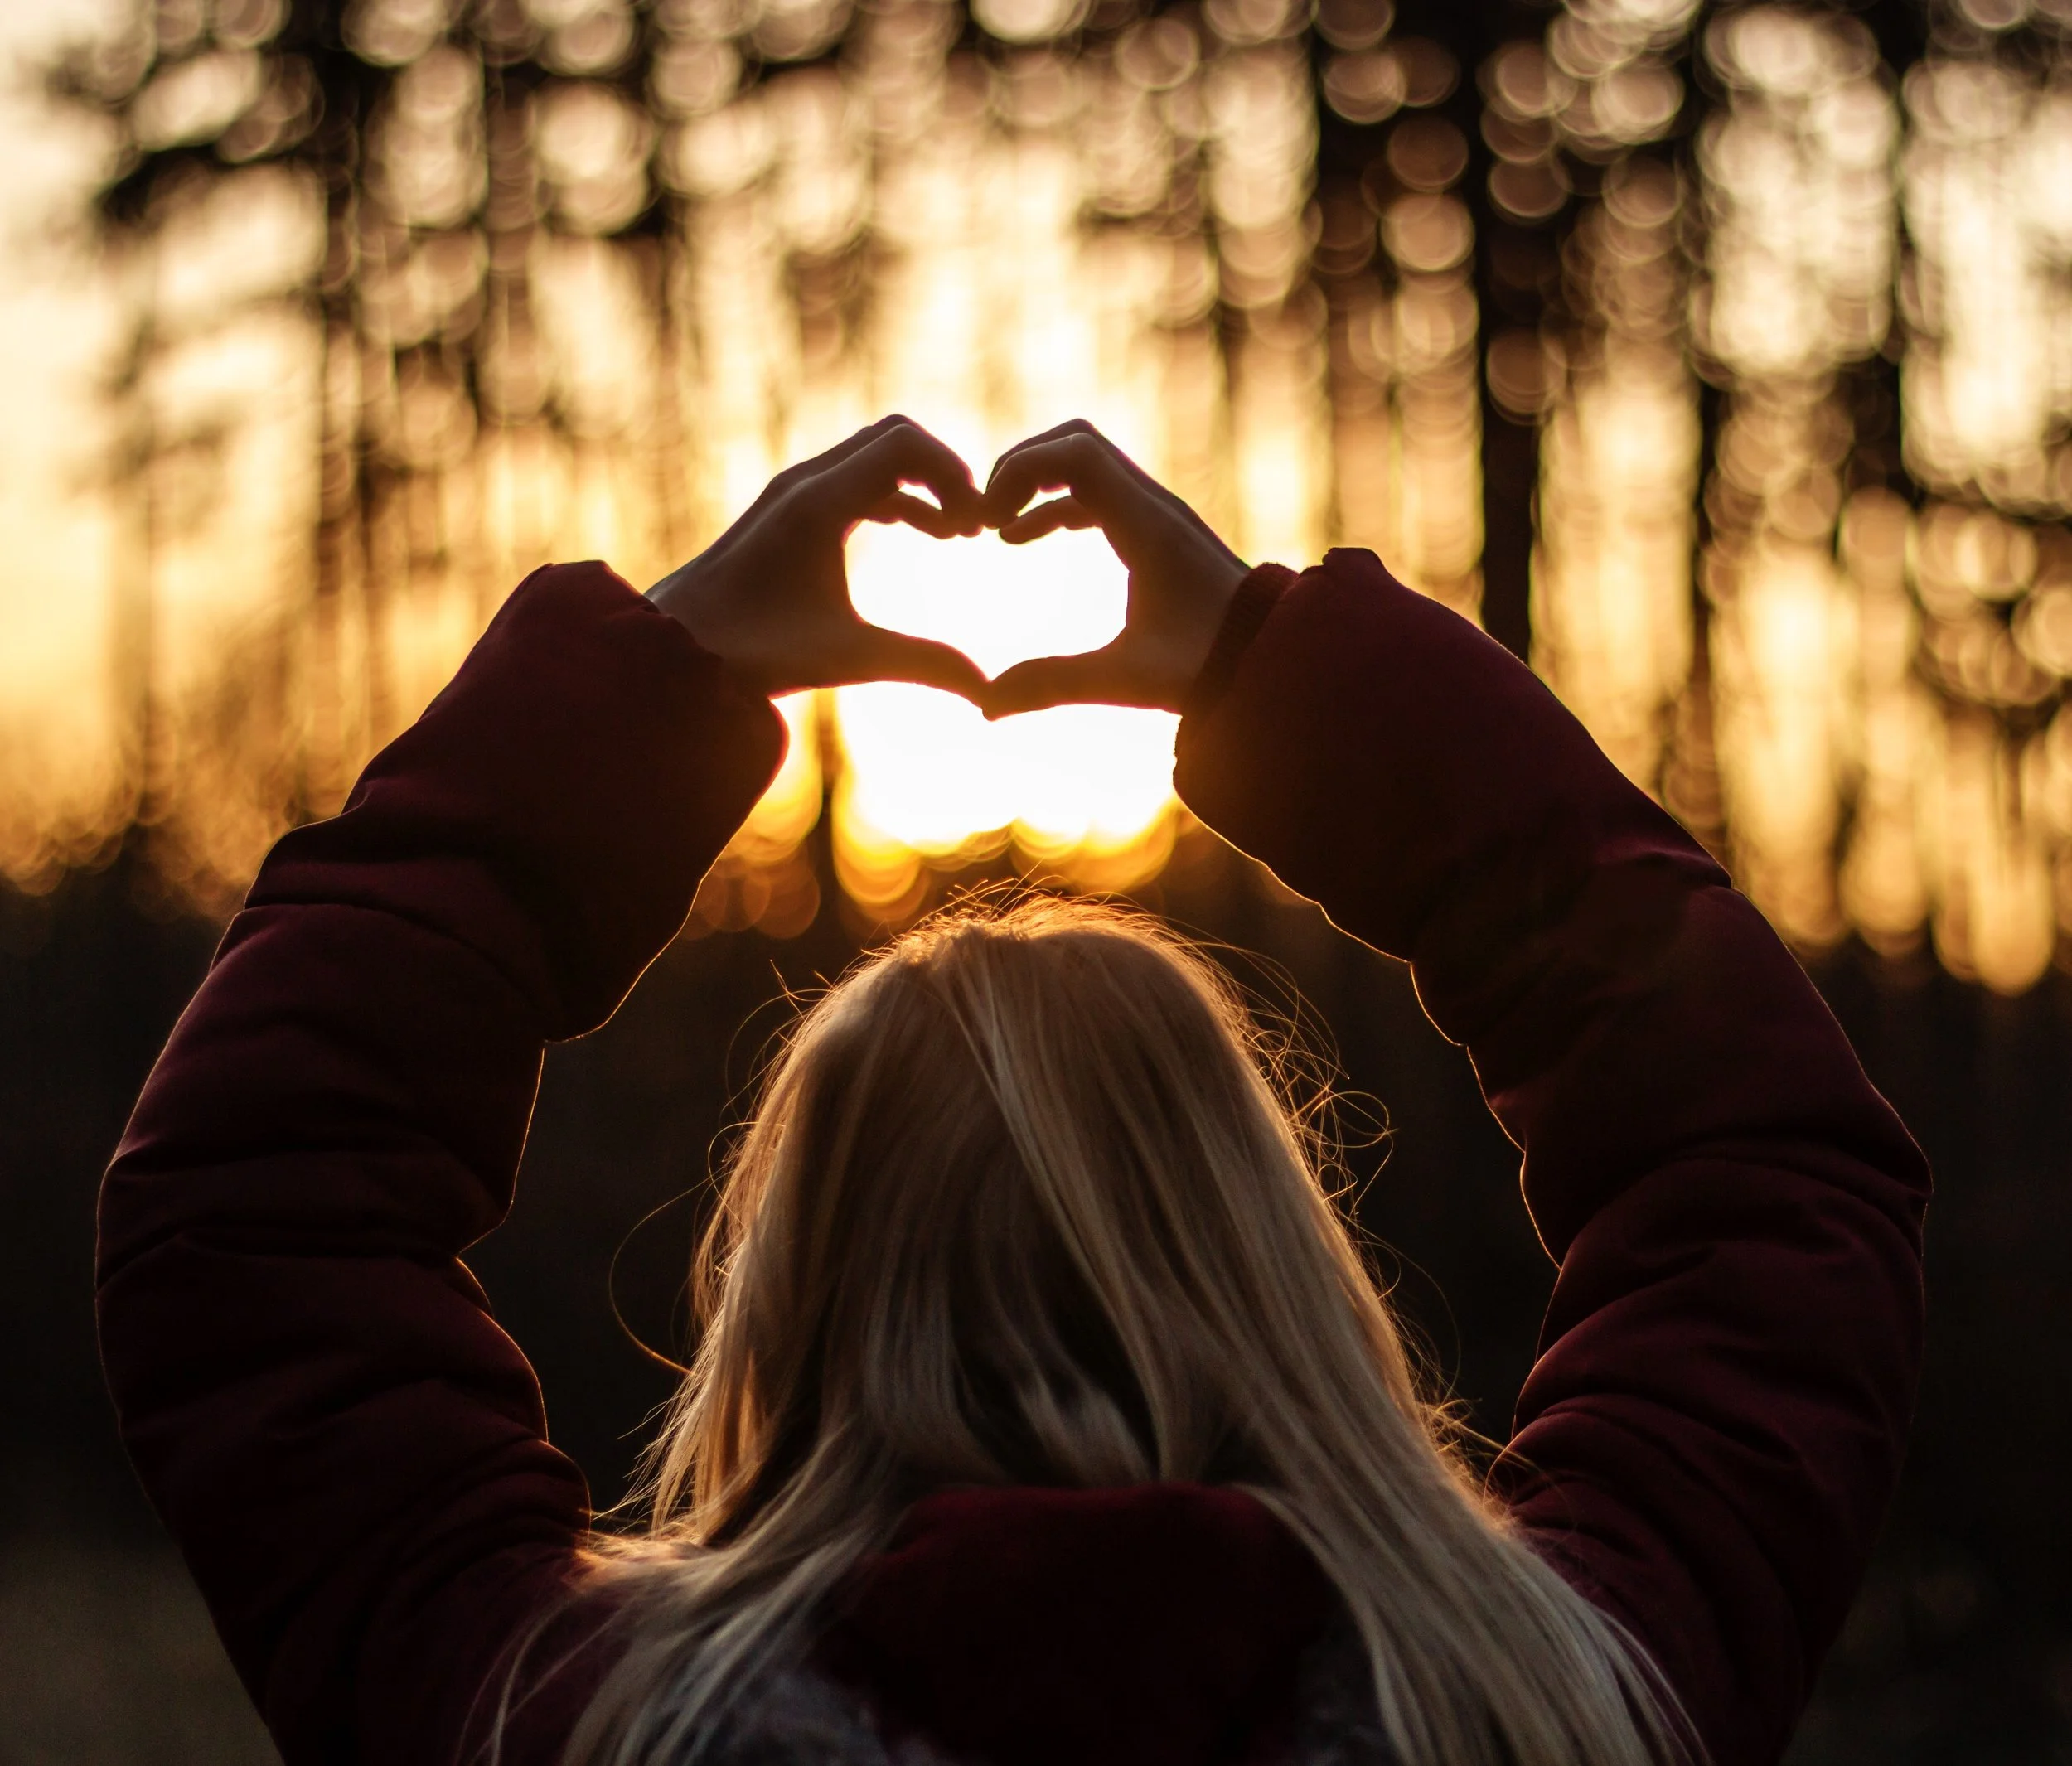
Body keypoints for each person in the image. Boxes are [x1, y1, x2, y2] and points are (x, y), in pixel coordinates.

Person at [97, 417, 1929, 1766]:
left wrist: (664, 675)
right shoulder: (1561, 1704)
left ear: (795, 1278)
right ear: (1265, 1255)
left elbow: (244, 1220)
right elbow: (1758, 1180)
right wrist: (1278, 678)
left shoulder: (565, 1725)